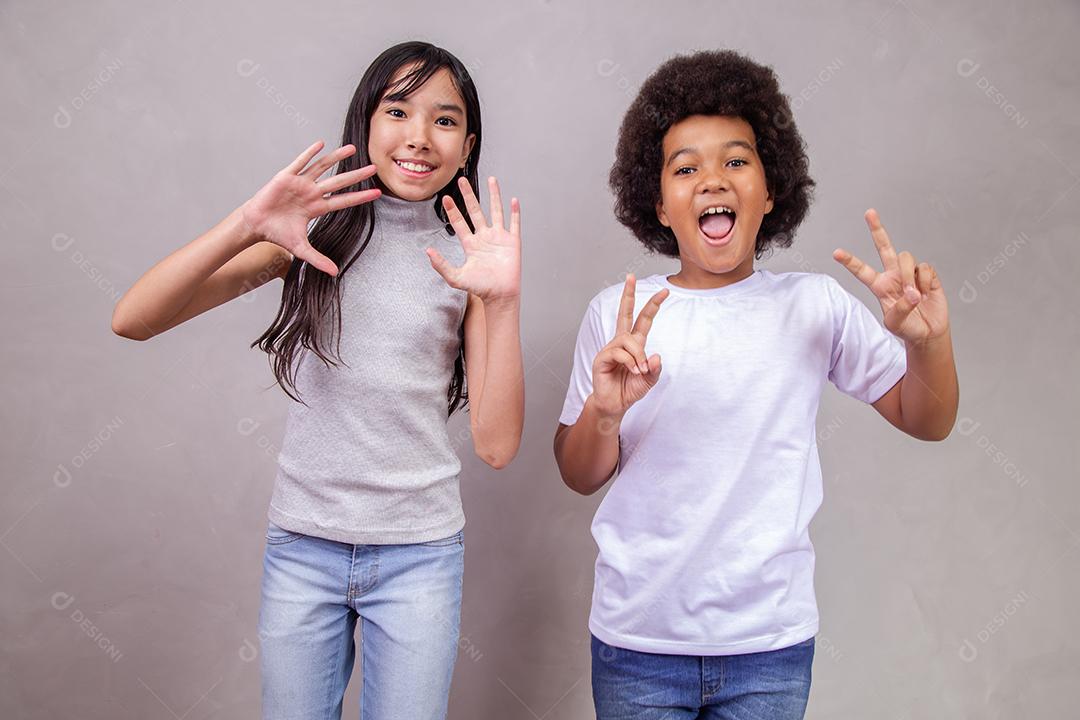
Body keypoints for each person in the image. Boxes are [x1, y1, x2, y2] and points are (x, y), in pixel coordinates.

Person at [112, 41, 524, 720]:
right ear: (363, 122)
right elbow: (134, 319)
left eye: (444, 120)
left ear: (467, 142)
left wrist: (503, 302)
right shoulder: (309, 237)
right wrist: (245, 225)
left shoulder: (471, 260)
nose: (419, 136)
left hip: (419, 555)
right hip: (304, 547)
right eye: (398, 110)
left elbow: (498, 444)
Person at [553, 49, 958, 719]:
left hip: (769, 648)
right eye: (687, 168)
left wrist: (927, 343)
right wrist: (603, 412)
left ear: (771, 191)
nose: (713, 179)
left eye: (736, 161)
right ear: (657, 202)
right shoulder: (618, 316)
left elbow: (930, 417)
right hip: (639, 644)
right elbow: (577, 475)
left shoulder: (813, 306)